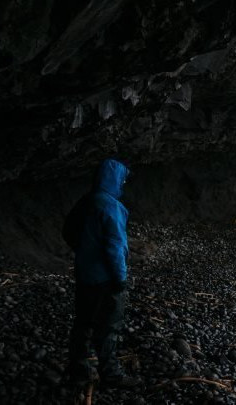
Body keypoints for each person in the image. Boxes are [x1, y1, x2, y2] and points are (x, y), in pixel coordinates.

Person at [66, 158, 140, 388]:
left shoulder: (86, 202)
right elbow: (115, 247)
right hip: (105, 278)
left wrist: (84, 252)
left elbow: (68, 231)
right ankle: (110, 374)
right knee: (108, 327)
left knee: (83, 323)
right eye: (123, 180)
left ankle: (78, 371)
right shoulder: (111, 206)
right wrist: (120, 279)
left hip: (85, 275)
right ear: (116, 180)